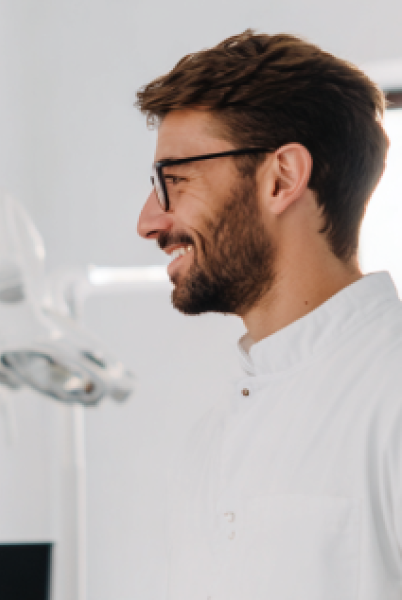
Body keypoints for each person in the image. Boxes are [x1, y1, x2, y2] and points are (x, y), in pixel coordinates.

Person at [135, 31, 399, 598]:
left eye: (174, 180)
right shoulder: (207, 444)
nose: (148, 221)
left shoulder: (392, 395)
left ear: (281, 178)